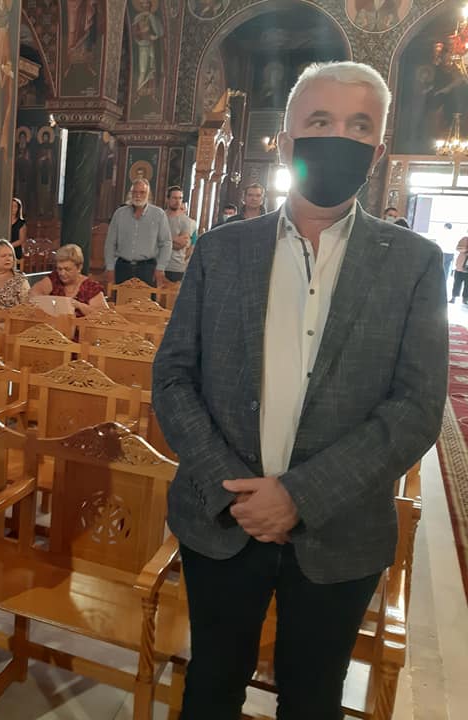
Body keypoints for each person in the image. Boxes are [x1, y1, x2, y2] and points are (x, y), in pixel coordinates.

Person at [152, 61, 448, 719]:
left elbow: (416, 407)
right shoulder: (220, 251)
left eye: (358, 126)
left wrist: (298, 497)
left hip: (340, 530)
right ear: (286, 144)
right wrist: (237, 491)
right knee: (211, 684)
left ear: (377, 151)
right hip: (223, 520)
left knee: (313, 698)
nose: (338, 137)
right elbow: (172, 379)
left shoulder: (415, 264)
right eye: (320, 121)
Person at [104, 178, 171, 286]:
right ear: (130, 194)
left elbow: (166, 243)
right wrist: (110, 267)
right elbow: (110, 242)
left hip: (147, 268)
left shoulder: (159, 214)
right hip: (122, 267)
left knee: (147, 298)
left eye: (142, 192)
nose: (138, 195)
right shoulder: (119, 214)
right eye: (135, 192)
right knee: (121, 297)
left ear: (148, 194)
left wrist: (161, 267)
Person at [29, 243, 107, 317]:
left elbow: (103, 315)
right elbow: (33, 293)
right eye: (59, 269)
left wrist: (79, 305)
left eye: (67, 269)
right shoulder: (54, 278)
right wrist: (48, 302)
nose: (62, 273)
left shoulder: (91, 287)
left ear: (79, 267)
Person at [164, 185, 195, 282]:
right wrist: (174, 239)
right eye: (174, 198)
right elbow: (152, 241)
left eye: (180, 198)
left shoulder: (186, 221)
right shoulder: (160, 217)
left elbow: (181, 245)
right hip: (157, 265)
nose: (178, 201)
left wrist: (161, 239)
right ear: (167, 199)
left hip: (176, 267)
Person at [452, 235, 468, 305]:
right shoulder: (464, 239)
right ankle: (453, 297)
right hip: (460, 267)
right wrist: (466, 250)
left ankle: (465, 299)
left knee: (467, 286)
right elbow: (458, 248)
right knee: (457, 283)